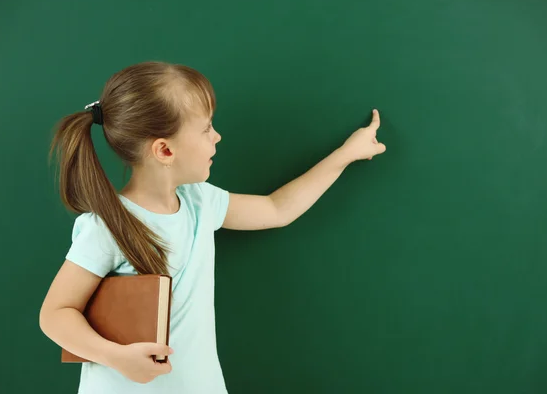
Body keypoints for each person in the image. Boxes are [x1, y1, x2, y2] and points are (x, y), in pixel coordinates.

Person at [39, 61, 386, 394]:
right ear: (164, 150)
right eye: (206, 128)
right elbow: (55, 314)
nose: (217, 137)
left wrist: (345, 154)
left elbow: (277, 208)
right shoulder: (110, 226)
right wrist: (117, 358)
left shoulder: (200, 202)